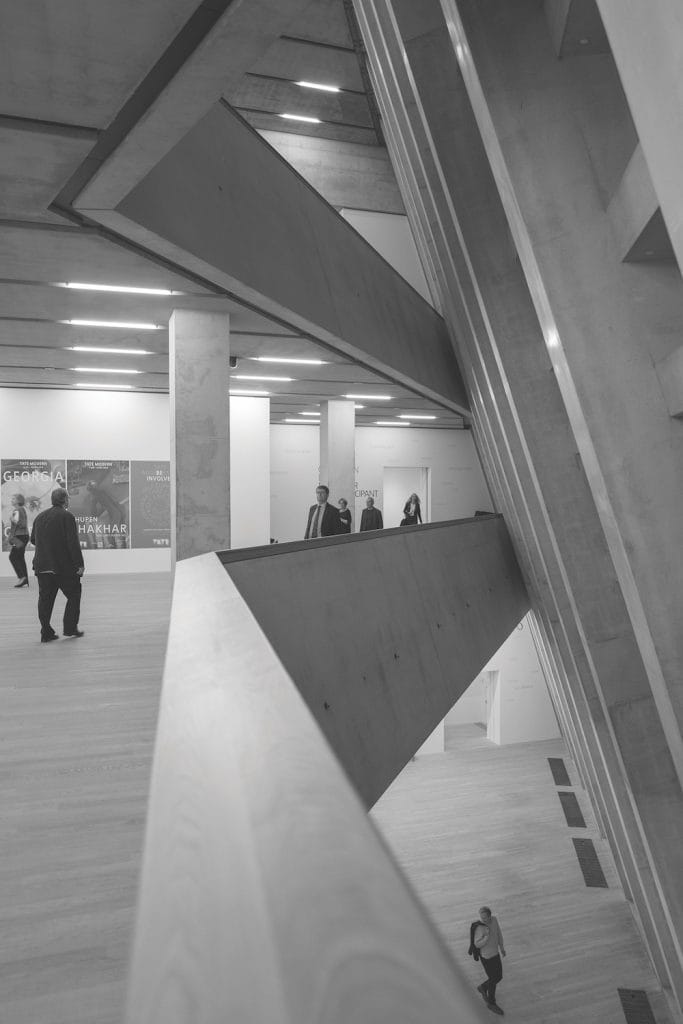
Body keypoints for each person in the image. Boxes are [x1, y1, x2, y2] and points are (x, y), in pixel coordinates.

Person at [30, 487, 85, 642]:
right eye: (68, 498)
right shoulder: (67, 516)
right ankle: (70, 628)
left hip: (42, 566)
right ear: (65, 500)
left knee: (45, 600)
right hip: (62, 567)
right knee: (74, 594)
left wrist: (47, 545)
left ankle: (46, 632)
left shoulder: (39, 517)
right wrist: (80, 564)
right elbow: (72, 543)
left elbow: (33, 540)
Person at [474, 905, 506, 1015]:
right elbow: (477, 944)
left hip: (495, 954)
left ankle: (483, 987)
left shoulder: (494, 920)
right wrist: (486, 937)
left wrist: (502, 947)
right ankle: (491, 1003)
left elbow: (499, 933)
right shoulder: (480, 927)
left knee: (499, 976)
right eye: (481, 917)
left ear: (490, 916)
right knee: (493, 979)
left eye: (485, 917)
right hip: (486, 957)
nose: (483, 919)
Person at [8, 493, 30, 588]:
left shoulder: (17, 510)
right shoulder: (22, 510)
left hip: (19, 537)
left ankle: (22, 577)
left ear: (18, 501)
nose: (11, 500)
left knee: (13, 557)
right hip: (23, 536)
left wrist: (12, 519)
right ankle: (25, 579)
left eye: (13, 498)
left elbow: (20, 524)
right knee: (20, 557)